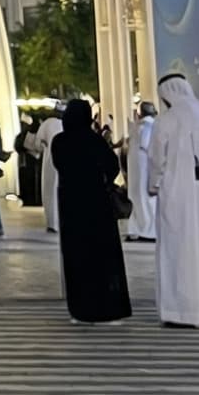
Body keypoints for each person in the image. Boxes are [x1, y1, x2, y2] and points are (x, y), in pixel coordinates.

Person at [149, 74, 199, 327]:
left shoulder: (167, 121)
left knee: (179, 249)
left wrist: (153, 185)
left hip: (177, 196)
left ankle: (181, 311)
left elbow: (156, 160)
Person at [50, 99, 131, 324]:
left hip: (71, 204)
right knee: (103, 256)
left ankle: (80, 309)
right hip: (97, 204)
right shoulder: (94, 140)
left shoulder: (60, 141)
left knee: (77, 256)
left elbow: (58, 164)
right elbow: (112, 166)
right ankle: (109, 307)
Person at [126, 101, 159, 242]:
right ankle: (146, 230)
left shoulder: (139, 127)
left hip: (138, 172)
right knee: (146, 201)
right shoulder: (150, 126)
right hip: (144, 171)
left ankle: (141, 229)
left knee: (141, 201)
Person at [32, 110, 65, 232]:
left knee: (49, 192)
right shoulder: (63, 124)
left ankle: (52, 223)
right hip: (64, 162)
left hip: (49, 161)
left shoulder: (45, 124)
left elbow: (37, 144)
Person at [16, 115, 41, 206]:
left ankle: (34, 199)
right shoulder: (23, 135)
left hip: (33, 160)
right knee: (26, 180)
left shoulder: (36, 135)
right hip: (26, 160)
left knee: (33, 180)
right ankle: (28, 199)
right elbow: (18, 146)